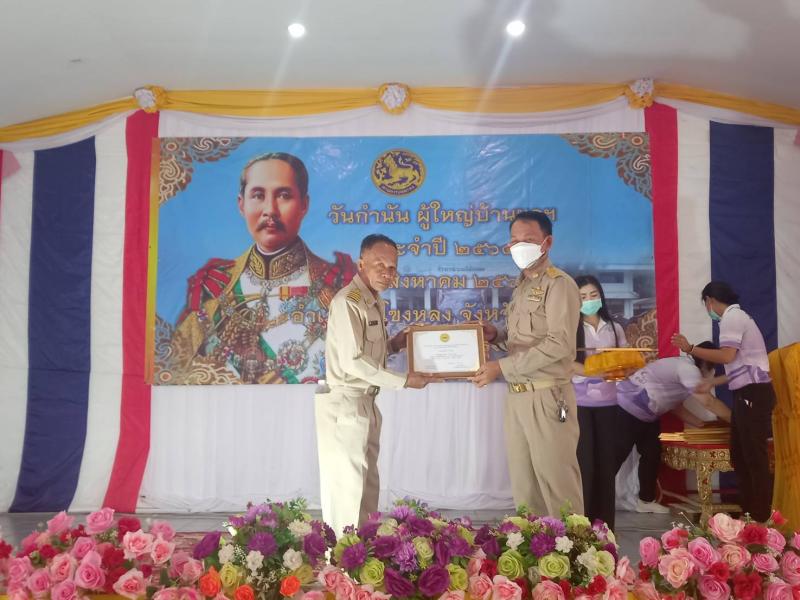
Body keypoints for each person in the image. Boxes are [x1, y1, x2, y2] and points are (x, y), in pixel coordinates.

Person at [166, 152, 355, 384]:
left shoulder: (337, 286)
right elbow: (174, 369)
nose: (270, 210)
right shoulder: (214, 288)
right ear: (241, 204)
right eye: (258, 195)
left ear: (304, 205)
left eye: (284, 195)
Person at [315, 234, 437, 535]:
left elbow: (369, 353)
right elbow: (353, 362)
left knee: (367, 486)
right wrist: (404, 380)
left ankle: (363, 550)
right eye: (379, 264)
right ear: (361, 264)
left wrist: (394, 344)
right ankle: (343, 554)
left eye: (392, 267)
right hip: (347, 404)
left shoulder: (373, 301)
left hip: (366, 402)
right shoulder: (348, 302)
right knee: (347, 489)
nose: (386, 272)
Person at [472, 211, 583, 517]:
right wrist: (497, 336)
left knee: (558, 485)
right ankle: (534, 546)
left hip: (548, 396)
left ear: (547, 242)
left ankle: (575, 546)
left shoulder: (559, 285)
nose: (520, 246)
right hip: (518, 396)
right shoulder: (521, 286)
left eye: (529, 240)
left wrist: (501, 368)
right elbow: (524, 340)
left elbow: (559, 344)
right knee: (525, 489)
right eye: (515, 240)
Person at [671, 281, 776, 522]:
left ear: (710, 300)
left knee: (753, 455)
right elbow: (740, 366)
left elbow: (727, 356)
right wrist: (713, 382)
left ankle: (760, 515)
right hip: (748, 392)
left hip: (753, 393)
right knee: (740, 454)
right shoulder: (738, 317)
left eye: (706, 304)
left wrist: (691, 348)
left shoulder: (732, 317)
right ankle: (748, 510)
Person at [613, 343, 731, 513]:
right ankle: (591, 499)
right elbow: (708, 402)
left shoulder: (685, 369)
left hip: (648, 415)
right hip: (626, 409)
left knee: (652, 454)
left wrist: (700, 424)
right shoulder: (688, 369)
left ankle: (645, 500)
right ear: (706, 361)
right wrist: (736, 421)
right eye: (714, 365)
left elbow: (673, 405)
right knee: (615, 456)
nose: (713, 372)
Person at [572, 275, 631, 529]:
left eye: (593, 295)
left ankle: (605, 528)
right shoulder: (571, 328)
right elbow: (566, 364)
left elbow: (625, 359)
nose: (589, 300)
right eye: (583, 297)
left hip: (609, 405)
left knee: (607, 466)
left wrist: (623, 369)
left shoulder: (614, 328)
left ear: (601, 296)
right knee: (585, 465)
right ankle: (582, 528)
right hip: (579, 406)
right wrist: (597, 370)